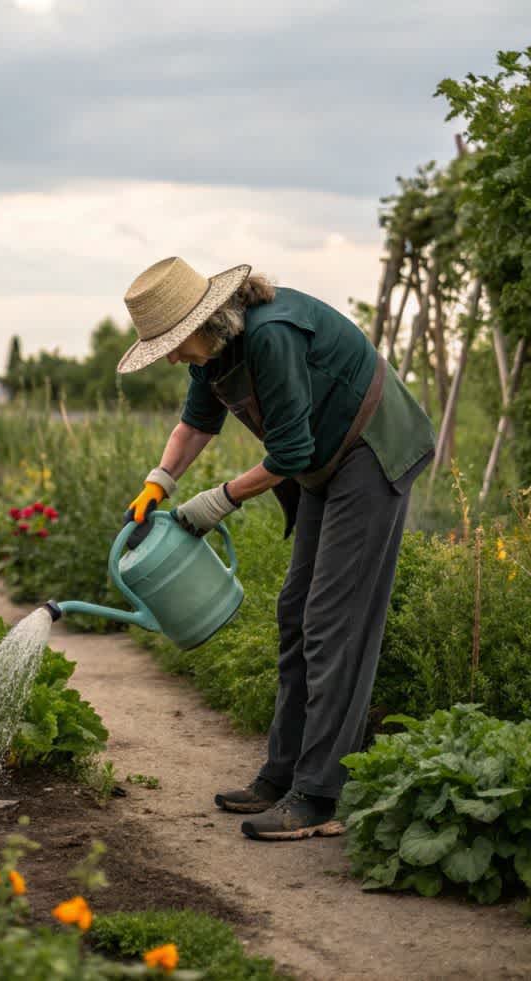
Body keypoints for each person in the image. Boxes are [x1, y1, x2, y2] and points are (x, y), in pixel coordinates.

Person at [117, 256, 435, 841]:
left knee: (333, 620)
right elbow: (195, 427)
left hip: (372, 449)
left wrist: (218, 501)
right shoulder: (217, 350)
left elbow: (288, 455)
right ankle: (283, 773)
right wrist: (158, 482)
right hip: (326, 462)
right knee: (296, 612)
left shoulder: (272, 336)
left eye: (169, 343)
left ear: (200, 322)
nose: (167, 355)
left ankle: (320, 796)